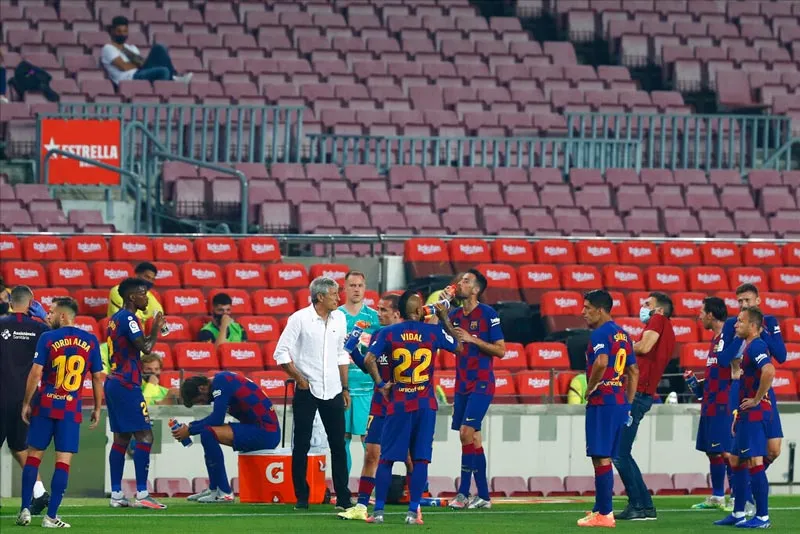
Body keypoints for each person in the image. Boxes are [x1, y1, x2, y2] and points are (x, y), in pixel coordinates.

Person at [361, 290, 461, 525]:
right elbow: (458, 346)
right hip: (425, 405)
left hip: (398, 404)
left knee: (386, 459)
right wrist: (445, 317)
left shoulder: (388, 332)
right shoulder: (433, 331)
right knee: (421, 460)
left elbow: (368, 359)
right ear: (419, 311)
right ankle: (413, 511)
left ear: (401, 312)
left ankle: (378, 512)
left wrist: (382, 384)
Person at [15, 297, 104, 528]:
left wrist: (26, 402)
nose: (48, 316)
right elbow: (96, 377)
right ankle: (50, 516)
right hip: (70, 410)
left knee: (33, 457)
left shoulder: (48, 338)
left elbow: (36, 373)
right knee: (62, 463)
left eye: (52, 312)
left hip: (45, 405)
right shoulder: (91, 340)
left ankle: (25, 509)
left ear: (63, 316)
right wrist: (96, 407)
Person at [273, 276, 352, 510]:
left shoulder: (340, 318)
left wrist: (345, 387)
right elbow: (280, 353)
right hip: (307, 389)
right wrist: (299, 379)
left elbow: (341, 354)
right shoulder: (299, 319)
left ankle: (344, 498)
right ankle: (302, 497)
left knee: (338, 444)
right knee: (302, 445)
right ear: (320, 297)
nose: (339, 298)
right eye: (334, 294)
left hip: (334, 389)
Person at [338, 294, 408, 521]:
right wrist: (353, 349)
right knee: (371, 453)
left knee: (409, 454)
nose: (378, 313)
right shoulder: (379, 334)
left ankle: (415, 503)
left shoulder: (410, 337)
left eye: (384, 310)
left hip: (404, 402)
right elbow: (369, 365)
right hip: (379, 403)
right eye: (378, 309)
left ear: (397, 313)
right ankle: (361, 506)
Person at [718, 283, 786, 514]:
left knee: (773, 451)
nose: (743, 305)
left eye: (747, 301)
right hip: (741, 388)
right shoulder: (732, 325)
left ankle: (747, 487)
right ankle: (744, 500)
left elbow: (782, 356)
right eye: (740, 302)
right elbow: (724, 358)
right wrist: (742, 334)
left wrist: (757, 331)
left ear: (758, 300)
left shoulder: (769, 324)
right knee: (741, 454)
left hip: (763, 392)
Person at [578, 289, 639, 528]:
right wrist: (629, 403)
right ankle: (600, 507)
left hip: (602, 401)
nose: (583, 312)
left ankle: (604, 514)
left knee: (600, 456)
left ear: (600, 310)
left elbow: (602, 361)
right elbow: (633, 371)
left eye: (587, 308)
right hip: (619, 401)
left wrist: (591, 387)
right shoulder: (623, 334)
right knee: (606, 455)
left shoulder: (600, 334)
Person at [105, 277, 167, 510]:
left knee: (121, 438)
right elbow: (147, 348)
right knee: (145, 436)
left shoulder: (114, 319)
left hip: (115, 382)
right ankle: (142, 493)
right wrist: (156, 327)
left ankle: (117, 494)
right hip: (126, 384)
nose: (147, 298)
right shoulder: (129, 318)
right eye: (143, 294)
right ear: (132, 297)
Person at [613, 291, 675, 521]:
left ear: (659, 310)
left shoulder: (659, 321)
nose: (643, 306)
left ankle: (638, 505)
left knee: (619, 453)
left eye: (648, 304)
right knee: (622, 452)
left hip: (638, 393)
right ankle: (644, 506)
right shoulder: (665, 328)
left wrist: (620, 344)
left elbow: (645, 347)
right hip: (642, 393)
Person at [447, 269, 505, 510]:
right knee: (474, 439)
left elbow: (501, 350)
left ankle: (462, 494)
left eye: (466, 281)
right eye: (460, 279)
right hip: (462, 383)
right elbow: (449, 342)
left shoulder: (488, 314)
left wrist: (473, 339)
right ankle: (483, 496)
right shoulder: (455, 314)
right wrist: (442, 313)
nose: (460, 283)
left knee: (465, 433)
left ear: (476, 289)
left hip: (482, 382)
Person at [175, 372, 281, 503]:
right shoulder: (222, 381)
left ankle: (224, 491)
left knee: (208, 433)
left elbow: (217, 419)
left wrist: (190, 430)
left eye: (200, 400)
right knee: (207, 433)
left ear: (202, 388)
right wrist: (190, 428)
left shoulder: (221, 382)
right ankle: (215, 489)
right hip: (260, 428)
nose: (203, 403)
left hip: (266, 432)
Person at [714, 307, 774, 529]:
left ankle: (763, 517)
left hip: (755, 413)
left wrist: (757, 399)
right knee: (736, 459)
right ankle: (738, 512)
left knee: (754, 461)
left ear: (753, 326)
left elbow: (769, 371)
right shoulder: (748, 347)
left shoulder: (757, 346)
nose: (736, 325)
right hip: (744, 413)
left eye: (740, 321)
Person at [0, 286, 51, 516]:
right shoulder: (40, 328)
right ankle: (39, 492)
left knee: (18, 447)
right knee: (19, 446)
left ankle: (39, 492)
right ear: (32, 303)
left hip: (1, 394)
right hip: (26, 399)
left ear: (10, 301)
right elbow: (58, 342)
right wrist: (43, 320)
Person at [687, 297, 732, 510]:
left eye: (702, 311)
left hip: (724, 404)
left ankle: (737, 497)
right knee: (712, 451)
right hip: (710, 403)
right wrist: (698, 384)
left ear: (711, 314)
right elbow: (718, 373)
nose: (699, 315)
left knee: (726, 452)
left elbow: (736, 371)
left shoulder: (730, 337)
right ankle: (717, 496)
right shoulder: (715, 340)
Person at [338, 271, 380, 476]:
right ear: (344, 288)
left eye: (360, 285)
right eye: (352, 285)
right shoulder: (336, 315)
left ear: (365, 288)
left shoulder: (374, 317)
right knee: (342, 438)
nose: (356, 289)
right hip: (341, 387)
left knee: (368, 439)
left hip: (366, 387)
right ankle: (342, 489)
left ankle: (371, 488)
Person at [101, 16, 192, 84]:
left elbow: (141, 63)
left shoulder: (131, 48)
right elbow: (124, 67)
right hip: (129, 78)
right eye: (119, 31)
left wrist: (125, 51)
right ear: (112, 31)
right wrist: (138, 63)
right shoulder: (108, 48)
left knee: (159, 48)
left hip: (140, 72)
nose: (122, 34)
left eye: (125, 31)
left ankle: (174, 77)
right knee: (163, 71)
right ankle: (173, 79)